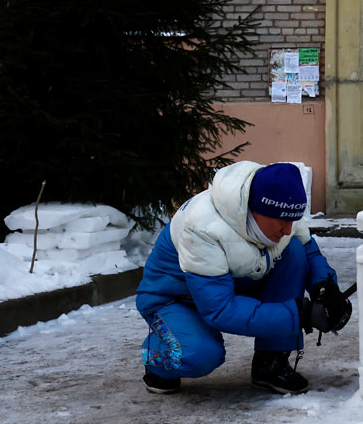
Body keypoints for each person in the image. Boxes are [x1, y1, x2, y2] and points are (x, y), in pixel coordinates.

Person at [135, 161, 351, 395]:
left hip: (231, 281)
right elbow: (220, 310)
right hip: (176, 298)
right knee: (200, 354)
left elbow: (310, 253)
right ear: (256, 210)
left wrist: (325, 288)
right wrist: (301, 315)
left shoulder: (280, 206)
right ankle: (158, 359)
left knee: (295, 251)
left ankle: (271, 363)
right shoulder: (201, 227)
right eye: (282, 222)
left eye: (292, 220)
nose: (288, 229)